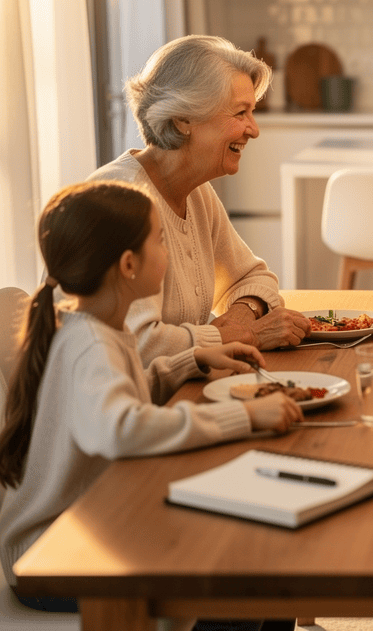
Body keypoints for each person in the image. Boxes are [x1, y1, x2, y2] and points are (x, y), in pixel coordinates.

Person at [0, 181, 303, 619]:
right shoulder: (89, 344)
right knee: (238, 566)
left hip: (83, 529)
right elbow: (122, 429)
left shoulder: (92, 326)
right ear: (128, 265)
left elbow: (121, 391)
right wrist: (245, 416)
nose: (170, 249)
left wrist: (190, 361)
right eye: (160, 240)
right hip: (55, 556)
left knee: (251, 547)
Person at [89, 35, 310, 365]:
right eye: (240, 113)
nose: (253, 129)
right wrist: (245, 336)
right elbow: (137, 346)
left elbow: (254, 279)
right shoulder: (118, 201)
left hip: (176, 393)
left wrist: (238, 319)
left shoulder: (196, 193)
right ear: (183, 119)